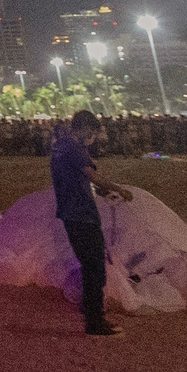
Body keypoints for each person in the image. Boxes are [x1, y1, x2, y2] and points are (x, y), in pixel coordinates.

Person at [49, 110, 127, 338]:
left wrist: (100, 192)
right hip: (81, 214)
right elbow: (90, 175)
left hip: (72, 212)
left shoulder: (60, 146)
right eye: (91, 131)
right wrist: (117, 188)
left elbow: (78, 179)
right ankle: (95, 323)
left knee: (90, 265)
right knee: (94, 267)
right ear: (83, 128)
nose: (91, 137)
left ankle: (90, 309)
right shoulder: (73, 147)